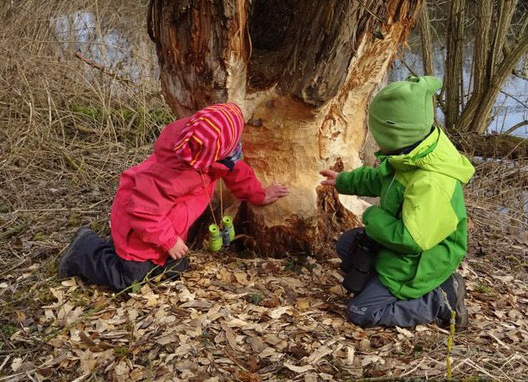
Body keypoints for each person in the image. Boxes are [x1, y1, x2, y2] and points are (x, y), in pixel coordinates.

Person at [59, 103, 289, 291]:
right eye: (230, 151)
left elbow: (236, 170)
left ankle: (125, 253)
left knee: (176, 267)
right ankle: (84, 250)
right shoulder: (172, 174)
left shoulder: (211, 151)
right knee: (130, 280)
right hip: (137, 224)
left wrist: (258, 195)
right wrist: (169, 240)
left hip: (161, 223)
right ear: (213, 157)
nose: (235, 153)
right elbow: (143, 211)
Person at [320, 76, 475, 329]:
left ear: (393, 133)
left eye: (377, 132)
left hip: (423, 256)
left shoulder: (431, 181)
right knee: (348, 244)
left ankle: (440, 298)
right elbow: (382, 180)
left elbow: (411, 240)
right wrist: (345, 181)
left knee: (361, 311)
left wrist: (371, 217)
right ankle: (382, 283)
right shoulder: (412, 152)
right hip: (405, 241)